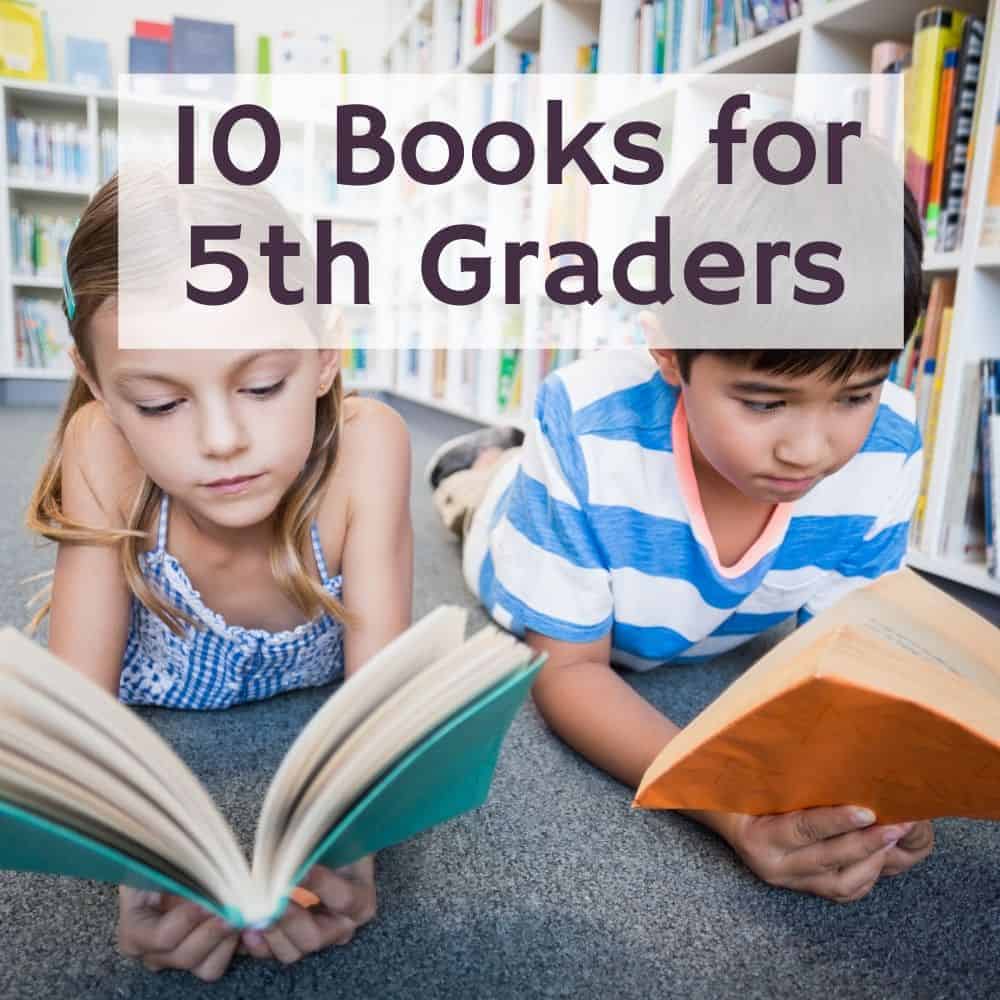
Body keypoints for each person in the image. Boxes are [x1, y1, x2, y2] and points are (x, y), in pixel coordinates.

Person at [425, 153, 934, 904]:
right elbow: (568, 671)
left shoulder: (888, 442)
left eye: (856, 392)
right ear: (666, 349)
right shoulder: (587, 421)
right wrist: (729, 809)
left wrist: (882, 797)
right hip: (512, 526)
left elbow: (851, 660)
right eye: (765, 403)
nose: (811, 449)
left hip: (650, 567)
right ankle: (483, 465)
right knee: (476, 498)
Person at [25, 172, 413, 979]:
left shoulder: (369, 443)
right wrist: (127, 866)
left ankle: (473, 480)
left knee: (470, 504)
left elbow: (385, 698)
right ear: (97, 385)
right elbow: (75, 712)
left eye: (263, 385)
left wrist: (358, 848)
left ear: (324, 352)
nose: (223, 439)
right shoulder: (101, 446)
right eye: (162, 405)